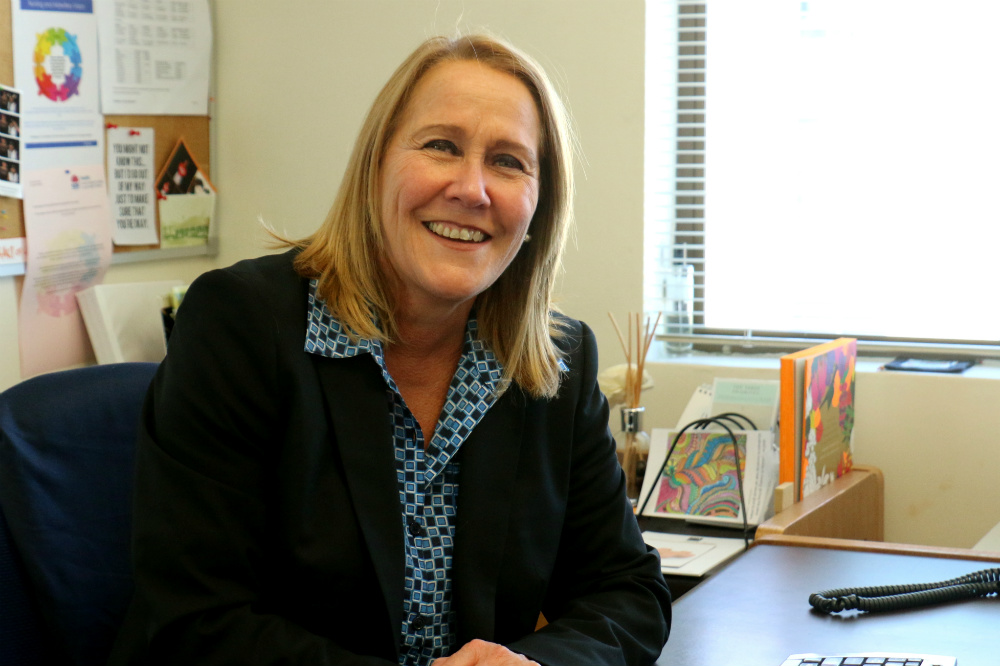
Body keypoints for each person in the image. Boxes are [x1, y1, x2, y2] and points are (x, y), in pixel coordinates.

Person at [108, 33, 671, 666]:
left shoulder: (554, 361)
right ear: (376, 165)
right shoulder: (240, 324)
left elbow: (628, 591)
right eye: (441, 146)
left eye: (509, 161)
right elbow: (196, 621)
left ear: (540, 204)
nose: (472, 188)